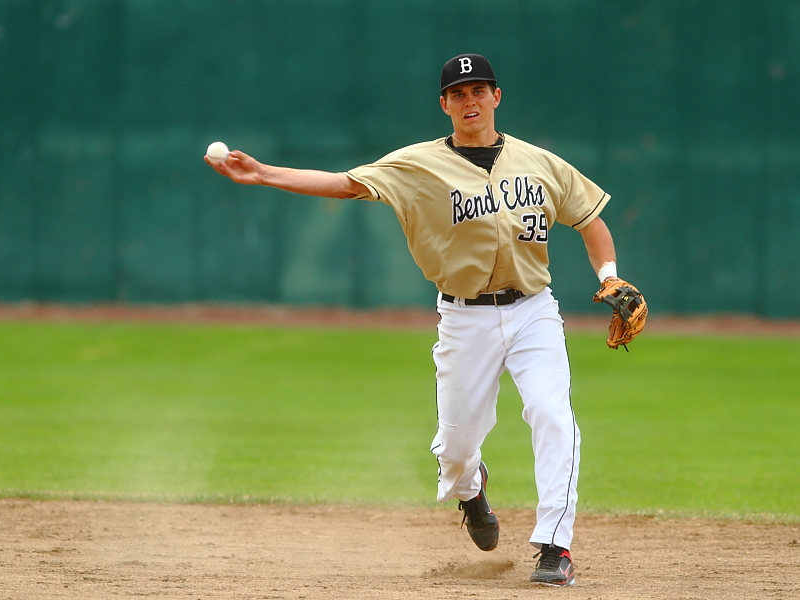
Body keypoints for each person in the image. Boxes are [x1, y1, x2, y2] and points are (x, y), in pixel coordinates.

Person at [206, 53, 622, 588]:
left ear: (497, 97)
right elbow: (343, 183)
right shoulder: (416, 165)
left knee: (552, 414)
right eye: (459, 93)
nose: (470, 101)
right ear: (444, 104)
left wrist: (610, 275)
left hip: (533, 311)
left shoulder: (540, 162)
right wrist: (264, 174)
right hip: (464, 318)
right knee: (454, 448)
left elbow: (591, 220)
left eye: (480, 91)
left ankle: (554, 546)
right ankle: (470, 489)